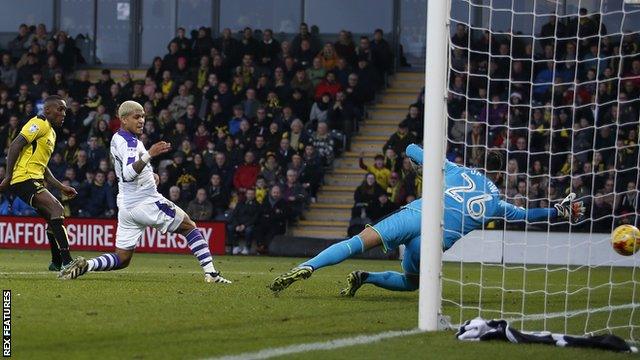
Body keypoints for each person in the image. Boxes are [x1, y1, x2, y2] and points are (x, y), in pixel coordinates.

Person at [269, 144, 586, 294]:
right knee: (413, 282)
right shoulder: (496, 204)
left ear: (479, 164)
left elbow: (411, 149)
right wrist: (559, 210)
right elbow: (528, 215)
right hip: (431, 241)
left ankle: (305, 267)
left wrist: (417, 162)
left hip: (415, 213)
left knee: (354, 243)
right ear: (501, 175)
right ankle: (365, 278)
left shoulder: (456, 169)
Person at [59, 101, 230, 284]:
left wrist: (149, 173)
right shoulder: (132, 143)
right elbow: (128, 174)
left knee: (122, 258)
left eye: (143, 116)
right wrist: (150, 154)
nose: (141, 120)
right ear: (124, 119)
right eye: (136, 117)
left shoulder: (118, 137)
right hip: (145, 202)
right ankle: (211, 274)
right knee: (190, 227)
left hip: (126, 205)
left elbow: (128, 168)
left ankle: (88, 265)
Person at [0, 95, 79, 272]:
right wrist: (8, 176)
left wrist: (62, 187)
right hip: (23, 178)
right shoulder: (39, 122)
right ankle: (68, 262)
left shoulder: (51, 132)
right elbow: (15, 145)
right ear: (47, 109)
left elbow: (43, 167)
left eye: (65, 110)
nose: (63, 113)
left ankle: (56, 263)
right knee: (57, 208)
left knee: (52, 221)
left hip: (33, 178)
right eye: (60, 109)